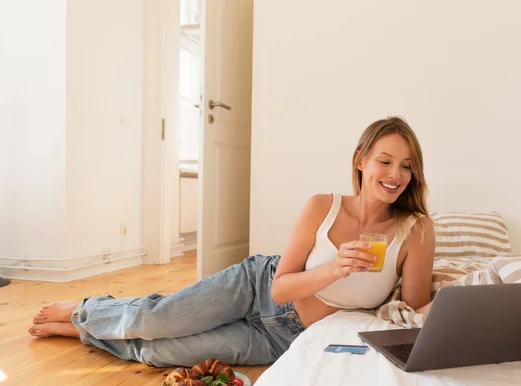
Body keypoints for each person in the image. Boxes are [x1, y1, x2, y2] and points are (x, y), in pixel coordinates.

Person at [28, 116, 435, 367]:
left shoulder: (414, 230)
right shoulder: (322, 206)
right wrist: (335, 268)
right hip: (257, 288)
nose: (395, 175)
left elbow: (413, 310)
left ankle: (82, 331)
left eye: (405, 166)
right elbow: (280, 285)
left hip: (285, 337)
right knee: (155, 322)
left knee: (159, 353)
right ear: (361, 159)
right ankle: (88, 309)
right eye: (385, 160)